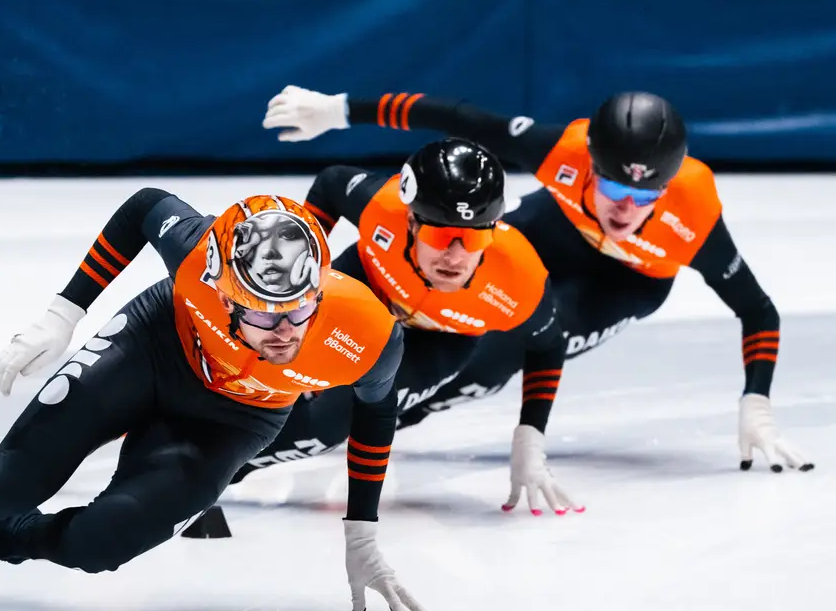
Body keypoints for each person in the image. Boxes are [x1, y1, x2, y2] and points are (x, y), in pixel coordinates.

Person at [262, 87, 813, 473]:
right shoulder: (562, 152)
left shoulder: (694, 220)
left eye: (644, 197)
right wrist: (339, 109)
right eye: (613, 188)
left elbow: (758, 309)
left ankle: (386, 416)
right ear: (589, 163)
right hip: (555, 229)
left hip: (627, 283)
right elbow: (457, 118)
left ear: (666, 192)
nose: (624, 210)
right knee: (463, 283)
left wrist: (755, 400)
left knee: (492, 356)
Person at [0, 190, 433, 611]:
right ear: (225, 293)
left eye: (300, 309)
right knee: (6, 482)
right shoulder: (196, 253)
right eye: (262, 313)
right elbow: (144, 207)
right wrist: (63, 314)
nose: (286, 330)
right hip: (154, 347)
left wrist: (361, 533)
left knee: (100, 545)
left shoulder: (368, 334)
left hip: (232, 420)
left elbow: (375, 415)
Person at [228, 137, 582, 516]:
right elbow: (331, 184)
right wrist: (299, 272)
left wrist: (530, 436)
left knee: (330, 422)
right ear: (411, 221)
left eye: (475, 236)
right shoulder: (382, 206)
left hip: (438, 341)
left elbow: (548, 345)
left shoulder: (519, 280)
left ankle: (222, 469)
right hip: (366, 289)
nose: (455, 256)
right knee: (263, 361)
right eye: (440, 236)